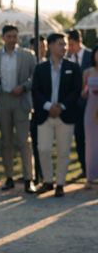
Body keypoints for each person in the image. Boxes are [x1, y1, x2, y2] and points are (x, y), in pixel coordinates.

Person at [0, 24, 37, 193]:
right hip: (2, 99)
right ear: (3, 38)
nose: (12, 39)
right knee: (6, 141)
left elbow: (34, 78)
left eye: (14, 36)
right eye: (9, 36)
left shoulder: (28, 55)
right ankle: (9, 177)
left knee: (24, 141)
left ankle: (29, 178)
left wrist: (23, 87)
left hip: (21, 99)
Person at [32, 33, 82, 197]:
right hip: (44, 115)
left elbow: (76, 91)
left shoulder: (73, 68)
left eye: (65, 44)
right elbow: (36, 90)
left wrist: (61, 106)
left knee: (63, 151)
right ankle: (48, 181)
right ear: (51, 45)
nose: (64, 47)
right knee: (43, 149)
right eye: (61, 44)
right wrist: (48, 106)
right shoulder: (40, 68)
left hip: (65, 115)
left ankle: (60, 184)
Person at [66, 29, 92, 180]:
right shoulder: (68, 58)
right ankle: (84, 168)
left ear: (79, 41)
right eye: (68, 45)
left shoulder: (91, 56)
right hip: (75, 106)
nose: (70, 48)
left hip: (91, 105)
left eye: (72, 44)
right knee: (79, 137)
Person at [29, 34, 47, 183]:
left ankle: (44, 173)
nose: (40, 49)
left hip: (46, 109)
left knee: (45, 145)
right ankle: (36, 173)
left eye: (43, 46)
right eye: (37, 46)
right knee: (34, 143)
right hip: (31, 108)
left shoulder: (49, 64)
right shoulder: (30, 64)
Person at [82, 46, 98, 189]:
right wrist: (87, 91)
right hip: (91, 109)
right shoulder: (87, 72)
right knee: (91, 144)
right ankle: (90, 176)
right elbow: (83, 92)